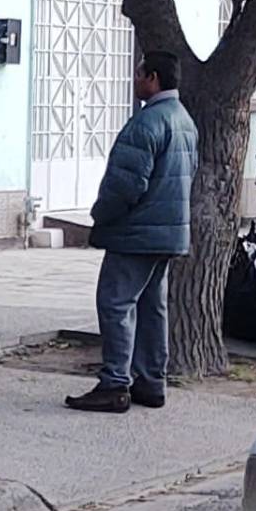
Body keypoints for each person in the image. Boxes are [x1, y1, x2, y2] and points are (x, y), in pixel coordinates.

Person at [65, 51, 198, 413]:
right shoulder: (184, 120)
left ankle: (115, 383)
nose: (135, 78)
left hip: (137, 233)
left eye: (139, 73)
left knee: (115, 303)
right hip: (169, 232)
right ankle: (151, 381)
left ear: (152, 77)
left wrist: (101, 216)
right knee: (152, 305)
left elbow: (124, 186)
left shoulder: (145, 124)